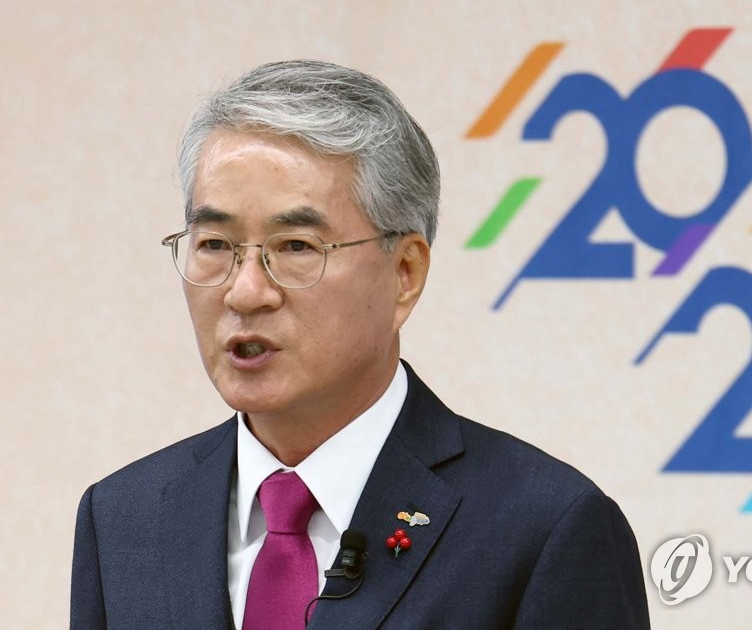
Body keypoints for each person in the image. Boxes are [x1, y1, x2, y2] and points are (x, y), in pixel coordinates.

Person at [71, 60, 650, 629]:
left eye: (296, 247)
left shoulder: (543, 529)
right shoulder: (124, 519)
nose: (245, 292)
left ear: (404, 273)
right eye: (215, 245)